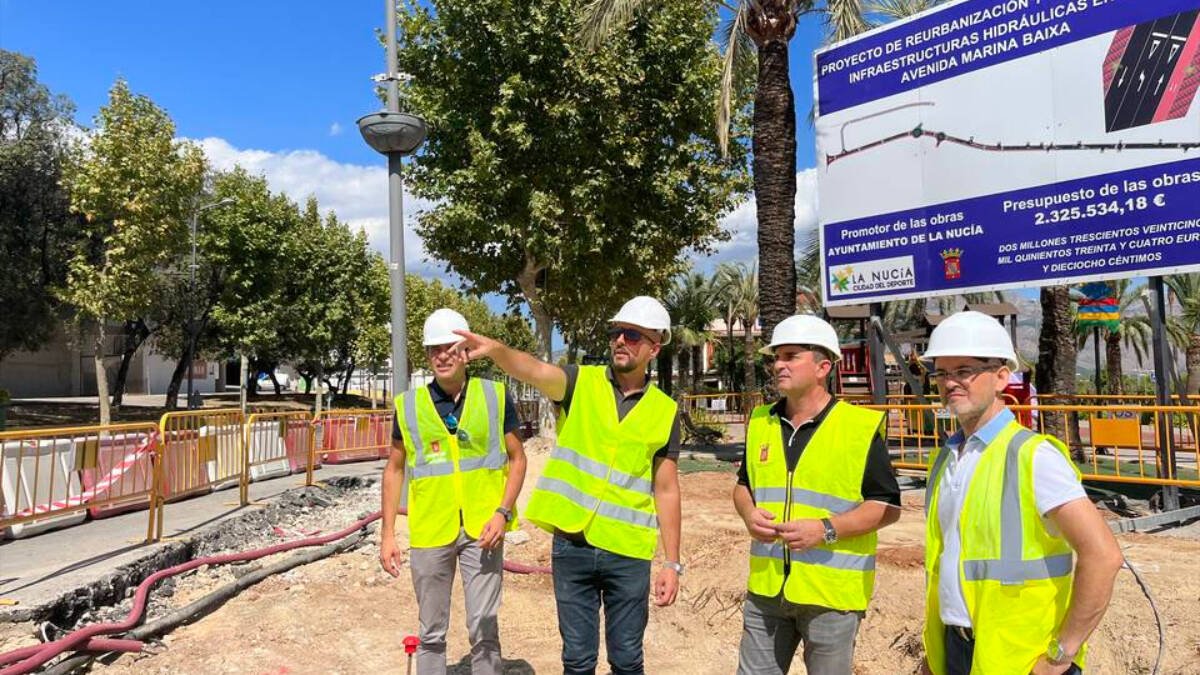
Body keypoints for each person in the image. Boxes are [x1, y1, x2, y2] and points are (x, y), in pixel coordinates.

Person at [452, 296, 682, 675]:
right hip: (572, 546)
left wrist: (672, 562)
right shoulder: (581, 382)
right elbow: (534, 371)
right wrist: (498, 352)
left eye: (633, 335)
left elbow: (668, 489)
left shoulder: (664, 411)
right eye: (616, 333)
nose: (620, 341)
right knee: (577, 660)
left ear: (654, 347)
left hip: (628, 552)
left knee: (627, 659)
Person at [920, 311, 1123, 675]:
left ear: (1001, 378)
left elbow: (1103, 556)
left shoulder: (1033, 456)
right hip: (957, 649)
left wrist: (1061, 654)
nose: (950, 383)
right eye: (941, 373)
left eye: (964, 371)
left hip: (1024, 659)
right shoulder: (946, 459)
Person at [733, 314, 901, 675]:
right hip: (767, 589)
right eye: (776, 356)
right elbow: (743, 486)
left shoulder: (857, 428)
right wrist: (748, 514)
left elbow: (886, 507)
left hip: (831, 595)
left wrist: (824, 529)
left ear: (823, 366)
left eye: (791, 355)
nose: (778, 364)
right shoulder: (760, 421)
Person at [379, 308, 528, 675]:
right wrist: (387, 535)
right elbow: (394, 469)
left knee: (484, 625)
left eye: (449, 347)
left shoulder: (494, 396)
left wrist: (503, 512)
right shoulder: (409, 406)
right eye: (434, 349)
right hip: (431, 529)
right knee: (430, 630)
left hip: (484, 530)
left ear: (466, 350)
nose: (441, 355)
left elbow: (518, 458)